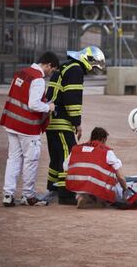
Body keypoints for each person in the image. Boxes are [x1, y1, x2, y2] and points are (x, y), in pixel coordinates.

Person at [45, 46, 105, 204]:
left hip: (52, 121)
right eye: (93, 66)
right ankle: (66, 194)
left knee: (56, 158)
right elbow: (73, 98)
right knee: (69, 156)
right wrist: (77, 123)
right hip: (62, 122)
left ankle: (53, 189)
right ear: (87, 59)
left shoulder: (66, 66)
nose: (92, 70)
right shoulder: (76, 70)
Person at [0, 52, 59, 207]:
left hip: (12, 123)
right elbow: (33, 104)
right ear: (48, 65)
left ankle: (8, 194)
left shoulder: (21, 73)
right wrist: (49, 107)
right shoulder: (38, 80)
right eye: (51, 70)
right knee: (31, 160)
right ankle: (29, 196)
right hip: (27, 127)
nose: (49, 74)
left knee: (13, 159)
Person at [63, 127, 127, 208]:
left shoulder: (76, 149)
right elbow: (120, 177)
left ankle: (81, 195)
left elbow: (65, 166)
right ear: (103, 140)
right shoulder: (106, 151)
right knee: (112, 174)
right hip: (97, 184)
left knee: (86, 176)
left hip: (78, 182)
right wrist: (125, 189)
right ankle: (100, 199)